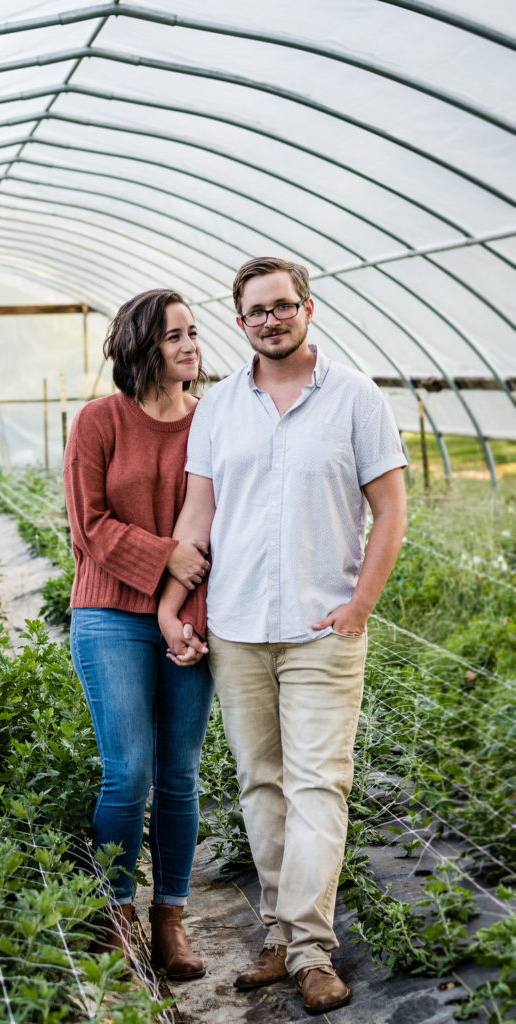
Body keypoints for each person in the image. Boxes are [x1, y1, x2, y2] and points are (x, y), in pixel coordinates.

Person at [158, 257, 407, 1014]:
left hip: (320, 627)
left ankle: (309, 949)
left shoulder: (356, 398)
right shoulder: (220, 408)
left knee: (316, 786)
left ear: (307, 307)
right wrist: (173, 605)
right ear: (240, 323)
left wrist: (359, 605)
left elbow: (390, 512)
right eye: (254, 312)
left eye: (281, 305)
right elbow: (196, 520)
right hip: (236, 625)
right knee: (260, 785)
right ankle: (276, 937)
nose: (269, 319)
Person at [63, 288, 214, 980]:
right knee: (129, 771)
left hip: (185, 619)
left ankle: (171, 922)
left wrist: (191, 612)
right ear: (140, 346)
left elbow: (223, 530)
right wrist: (164, 557)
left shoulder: (211, 424)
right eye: (172, 336)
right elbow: (87, 527)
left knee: (179, 776)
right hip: (109, 615)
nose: (189, 345)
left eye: (192, 333)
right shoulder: (99, 421)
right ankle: (115, 914)